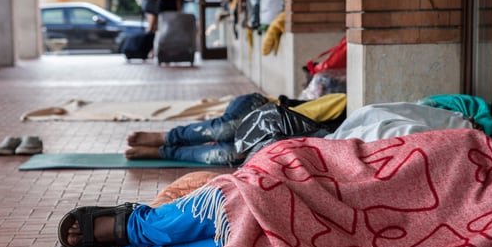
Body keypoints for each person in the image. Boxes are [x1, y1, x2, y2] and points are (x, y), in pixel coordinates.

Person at [55, 127, 492, 247]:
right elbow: (397, 158)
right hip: (316, 180)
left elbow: (457, 229)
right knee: (251, 191)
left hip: (332, 239)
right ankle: (137, 224)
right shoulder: (490, 150)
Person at [124, 92, 347, 166]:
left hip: (266, 138)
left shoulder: (341, 140)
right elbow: (292, 118)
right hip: (261, 108)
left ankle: (164, 152)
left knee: (228, 154)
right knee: (225, 129)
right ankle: (165, 137)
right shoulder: (344, 104)